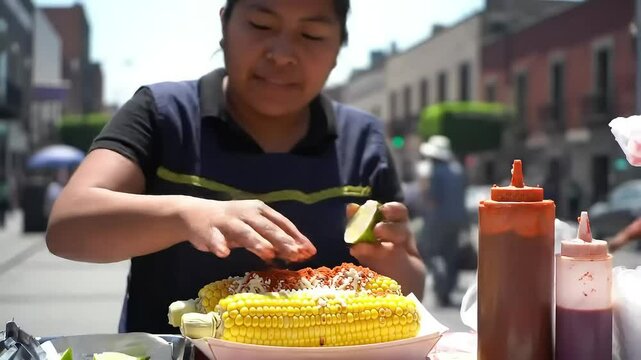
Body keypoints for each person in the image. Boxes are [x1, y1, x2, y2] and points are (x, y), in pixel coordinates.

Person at [45, 0, 426, 334]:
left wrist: (394, 261)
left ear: (339, 47)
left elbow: (412, 293)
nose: (282, 54)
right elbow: (68, 226)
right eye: (261, 25)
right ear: (225, 26)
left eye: (311, 35)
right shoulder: (162, 114)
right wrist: (186, 214)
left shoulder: (364, 140)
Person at [418, 135, 467, 307]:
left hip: (437, 220)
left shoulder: (435, 172)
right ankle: (448, 289)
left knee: (434, 254)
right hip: (457, 220)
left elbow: (432, 199)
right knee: (451, 256)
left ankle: (441, 288)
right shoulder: (458, 170)